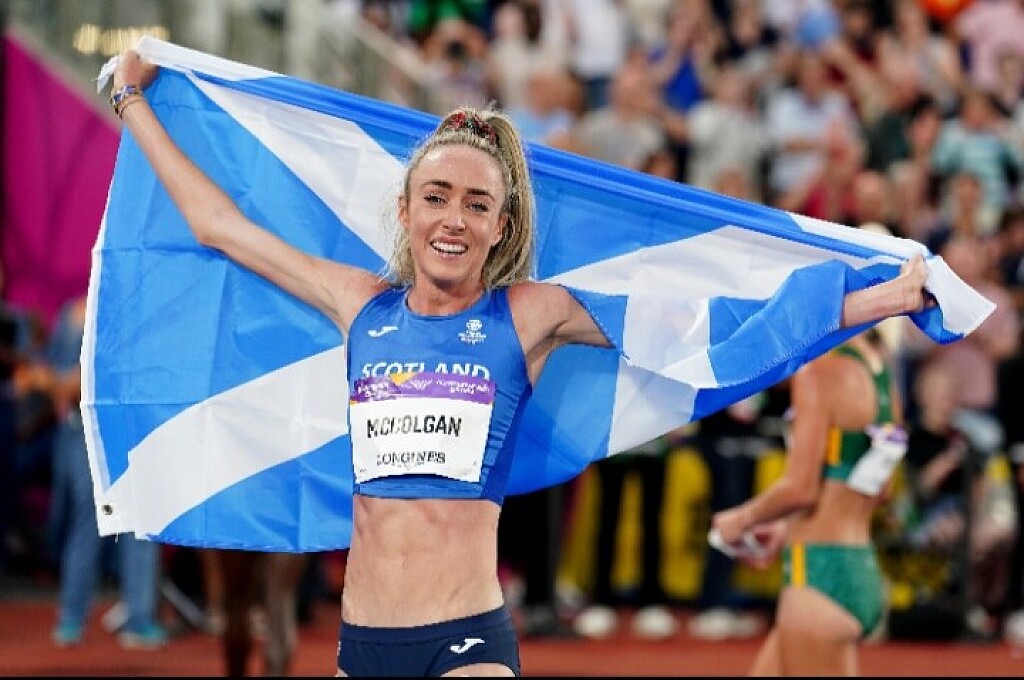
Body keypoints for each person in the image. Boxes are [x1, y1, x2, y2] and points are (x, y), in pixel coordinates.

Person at [110, 48, 932, 677]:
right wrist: (131, 99)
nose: (454, 220)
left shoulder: (531, 314)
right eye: (437, 198)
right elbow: (218, 225)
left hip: (465, 641)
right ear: (405, 208)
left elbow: (706, 324)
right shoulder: (360, 303)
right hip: (362, 645)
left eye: (478, 204)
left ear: (501, 226)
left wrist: (876, 299)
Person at [711, 328, 907, 676]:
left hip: (817, 575)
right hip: (858, 567)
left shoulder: (820, 372)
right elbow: (882, 489)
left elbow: (800, 488)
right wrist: (786, 526)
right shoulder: (880, 373)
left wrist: (740, 520)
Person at [46, 296, 167, 649]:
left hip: (130, 431)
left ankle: (138, 617)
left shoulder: (137, 315)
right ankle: (72, 616)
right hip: (86, 432)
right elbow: (60, 385)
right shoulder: (76, 316)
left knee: (140, 522)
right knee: (89, 521)